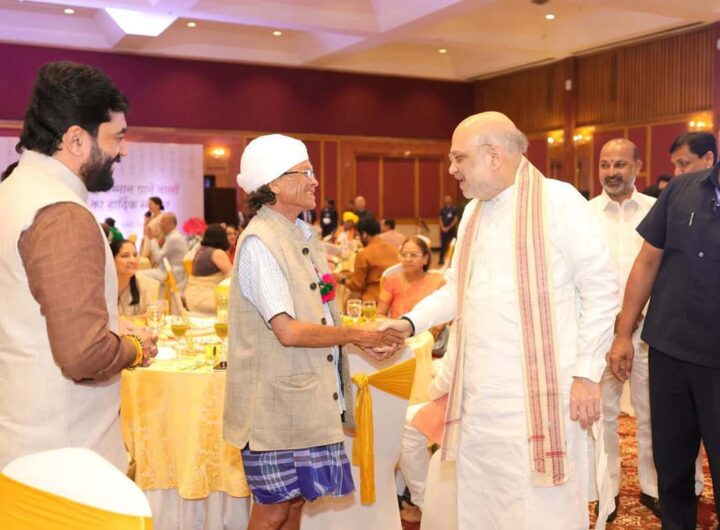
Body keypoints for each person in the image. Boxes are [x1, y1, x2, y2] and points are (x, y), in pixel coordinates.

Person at [377, 112, 618, 530]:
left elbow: (601, 288)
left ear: (493, 156)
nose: (452, 169)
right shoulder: (474, 212)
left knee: (542, 509)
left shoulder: (558, 202)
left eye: (459, 158)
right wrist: (410, 323)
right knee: (482, 505)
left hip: (542, 396)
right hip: (481, 399)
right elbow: (457, 289)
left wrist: (586, 373)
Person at [224, 133, 403, 530]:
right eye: (304, 173)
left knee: (295, 504)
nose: (315, 181)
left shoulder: (301, 235)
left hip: (303, 398)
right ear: (274, 184)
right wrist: (356, 335)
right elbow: (287, 331)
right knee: (273, 509)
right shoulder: (260, 242)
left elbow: (320, 314)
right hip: (273, 405)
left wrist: (358, 338)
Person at [0, 61, 157, 471]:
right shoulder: (61, 213)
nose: (124, 150)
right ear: (75, 140)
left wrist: (110, 324)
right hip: (66, 458)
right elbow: (84, 356)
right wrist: (136, 347)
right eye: (117, 137)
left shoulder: (13, 192)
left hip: (24, 438)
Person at [609, 146, 720, 530]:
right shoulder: (681, 189)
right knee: (671, 464)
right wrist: (624, 334)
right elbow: (647, 261)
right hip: (669, 348)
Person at [588, 138, 668, 520]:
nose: (611, 172)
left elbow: (664, 270)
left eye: (620, 164)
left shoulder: (657, 210)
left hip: (650, 331)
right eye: (605, 165)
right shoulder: (584, 215)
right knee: (601, 414)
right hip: (600, 331)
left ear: (638, 166)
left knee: (652, 411)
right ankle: (608, 490)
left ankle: (654, 488)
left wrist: (636, 314)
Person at [336, 216, 400, 302]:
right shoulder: (394, 250)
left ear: (364, 234)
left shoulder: (363, 254)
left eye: (359, 236)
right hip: (394, 297)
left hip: (372, 300)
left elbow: (357, 286)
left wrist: (341, 280)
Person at [378, 236, 444, 319]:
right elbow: (380, 315)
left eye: (413, 255)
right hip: (398, 326)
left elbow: (447, 314)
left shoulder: (437, 282)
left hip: (430, 327)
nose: (408, 259)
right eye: (404, 255)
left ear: (425, 259)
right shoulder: (392, 281)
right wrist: (396, 324)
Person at [185, 224, 232, 313]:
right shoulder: (217, 253)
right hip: (205, 299)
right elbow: (233, 276)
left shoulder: (200, 250)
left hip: (191, 297)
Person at [111, 239, 160, 317]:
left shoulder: (147, 285)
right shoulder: (101, 287)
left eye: (135, 255)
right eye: (125, 256)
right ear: (111, 260)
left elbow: (150, 316)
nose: (133, 260)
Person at [138, 212, 189, 286]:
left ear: (172, 225)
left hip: (171, 275)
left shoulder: (173, 238)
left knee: (137, 275)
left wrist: (152, 239)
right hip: (171, 272)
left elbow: (158, 258)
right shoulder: (173, 236)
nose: (160, 224)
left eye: (163, 222)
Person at [438, 194, 459, 265]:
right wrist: (443, 228)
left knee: (453, 245)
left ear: (451, 200)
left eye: (448, 199)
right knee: (443, 245)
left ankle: (454, 260)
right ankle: (441, 259)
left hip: (452, 230)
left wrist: (449, 227)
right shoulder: (442, 209)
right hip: (443, 231)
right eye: (446, 199)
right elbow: (440, 219)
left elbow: (455, 219)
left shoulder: (454, 209)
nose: (447, 200)